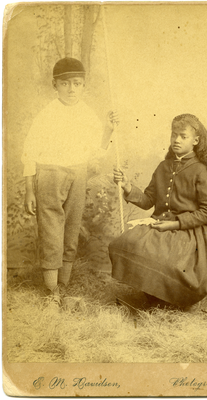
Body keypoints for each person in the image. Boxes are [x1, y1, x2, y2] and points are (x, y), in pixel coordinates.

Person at [22, 57, 117, 302]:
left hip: (78, 172)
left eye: (77, 83)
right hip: (51, 174)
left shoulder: (87, 114)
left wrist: (107, 129)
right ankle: (51, 292)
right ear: (55, 85)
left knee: (71, 228)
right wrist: (29, 191)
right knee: (52, 230)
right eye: (65, 84)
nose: (71, 89)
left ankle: (62, 286)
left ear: (84, 86)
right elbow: (29, 152)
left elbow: (97, 150)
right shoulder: (46, 114)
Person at [109, 113, 207, 308]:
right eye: (174, 135)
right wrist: (127, 186)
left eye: (183, 136)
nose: (176, 140)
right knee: (124, 243)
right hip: (160, 225)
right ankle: (151, 297)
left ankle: (167, 302)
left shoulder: (200, 171)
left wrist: (175, 224)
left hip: (188, 232)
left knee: (168, 260)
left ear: (195, 141)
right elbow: (148, 200)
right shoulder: (163, 167)